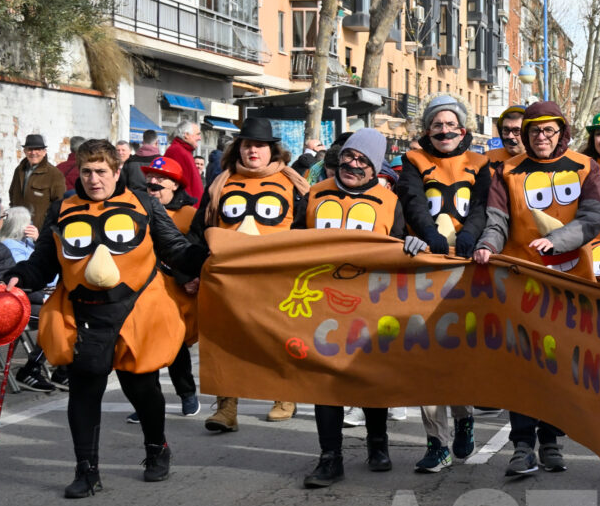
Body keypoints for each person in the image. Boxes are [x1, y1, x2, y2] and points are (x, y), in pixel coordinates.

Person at [6, 139, 207, 497]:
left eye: (101, 171)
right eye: (86, 172)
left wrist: (206, 260)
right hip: (83, 312)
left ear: (117, 171)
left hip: (136, 310)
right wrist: (19, 277)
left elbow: (175, 249)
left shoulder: (144, 203)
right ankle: (86, 471)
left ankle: (156, 447)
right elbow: (44, 262)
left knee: (142, 389)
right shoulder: (61, 209)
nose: (93, 179)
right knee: (84, 392)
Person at [474, 100, 600, 475]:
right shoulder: (506, 171)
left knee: (559, 366)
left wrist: (557, 240)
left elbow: (594, 216)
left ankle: (550, 441)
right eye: (534, 130)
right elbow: (497, 221)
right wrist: (487, 245)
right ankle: (522, 446)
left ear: (562, 132)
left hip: (570, 282)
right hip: (522, 282)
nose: (541, 137)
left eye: (549, 130)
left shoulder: (585, 166)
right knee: (524, 365)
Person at [292, 128, 424, 487]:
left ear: (375, 167)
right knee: (325, 380)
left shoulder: (390, 202)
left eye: (363, 160)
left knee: (370, 376)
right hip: (321, 301)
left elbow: (398, 245)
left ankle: (377, 443)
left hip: (370, 303)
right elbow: (292, 241)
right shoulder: (314, 194)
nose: (353, 164)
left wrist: (411, 244)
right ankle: (329, 457)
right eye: (349, 156)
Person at [191, 118, 310, 430]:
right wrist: (192, 270)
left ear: (272, 150)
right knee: (227, 342)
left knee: (277, 338)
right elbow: (200, 229)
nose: (253, 151)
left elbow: (306, 230)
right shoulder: (221, 183)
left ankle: (284, 395)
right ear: (238, 149)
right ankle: (226, 408)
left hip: (276, 276)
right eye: (247, 145)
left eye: (259, 145)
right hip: (229, 278)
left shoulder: (293, 184)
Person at [397, 95, 493, 471]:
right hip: (426, 264)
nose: (444, 130)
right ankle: (437, 442)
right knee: (427, 356)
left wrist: (469, 235)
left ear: (463, 129)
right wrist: (429, 235)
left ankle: (464, 417)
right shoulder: (413, 160)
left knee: (457, 351)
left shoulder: (481, 164)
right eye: (437, 124)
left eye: (451, 124)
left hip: (466, 268)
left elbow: (482, 206)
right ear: (427, 130)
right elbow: (412, 200)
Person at [126, 156, 202, 423]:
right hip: (143, 292)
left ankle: (187, 393)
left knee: (176, 344)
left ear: (175, 185)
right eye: (150, 179)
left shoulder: (189, 215)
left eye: (160, 180)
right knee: (144, 346)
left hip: (175, 291)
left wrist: (187, 276)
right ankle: (147, 402)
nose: (153, 184)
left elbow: (191, 251)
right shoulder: (137, 211)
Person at [0, 197, 55, 392]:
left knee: (65, 309)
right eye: (3, 216)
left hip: (14, 299)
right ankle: (32, 370)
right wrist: (41, 296)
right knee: (57, 317)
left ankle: (57, 370)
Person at [8, 134, 66, 232]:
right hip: (17, 227)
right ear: (25, 151)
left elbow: (59, 204)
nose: (33, 153)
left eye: (37, 149)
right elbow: (12, 194)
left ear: (44, 152)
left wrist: (47, 228)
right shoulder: (19, 170)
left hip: (40, 230)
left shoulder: (54, 174)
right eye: (30, 149)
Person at [166, 121, 206, 201]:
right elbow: (183, 186)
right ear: (186, 135)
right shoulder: (177, 151)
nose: (200, 138)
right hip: (187, 206)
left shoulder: (184, 151)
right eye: (197, 134)